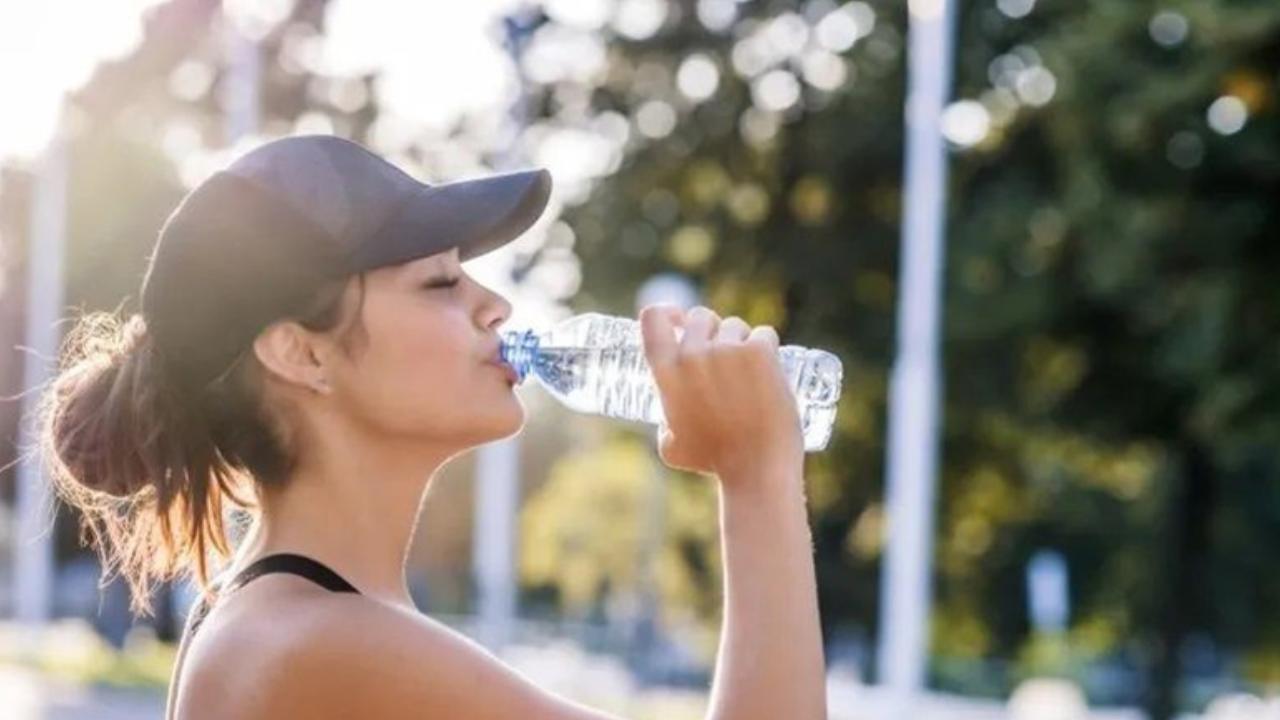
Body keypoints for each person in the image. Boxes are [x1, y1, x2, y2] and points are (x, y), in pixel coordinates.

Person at [34, 134, 826, 719]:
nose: (497, 306)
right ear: (300, 352)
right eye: (441, 281)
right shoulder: (310, 642)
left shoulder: (299, 619)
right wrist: (756, 478)